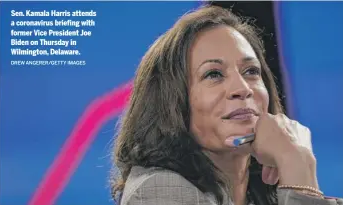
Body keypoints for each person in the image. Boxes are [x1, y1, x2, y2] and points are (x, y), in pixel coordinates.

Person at [110, 5, 343, 205]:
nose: (242, 88)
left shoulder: (264, 192)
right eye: (213, 74)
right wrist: (298, 168)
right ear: (171, 103)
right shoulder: (160, 190)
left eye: (251, 71)